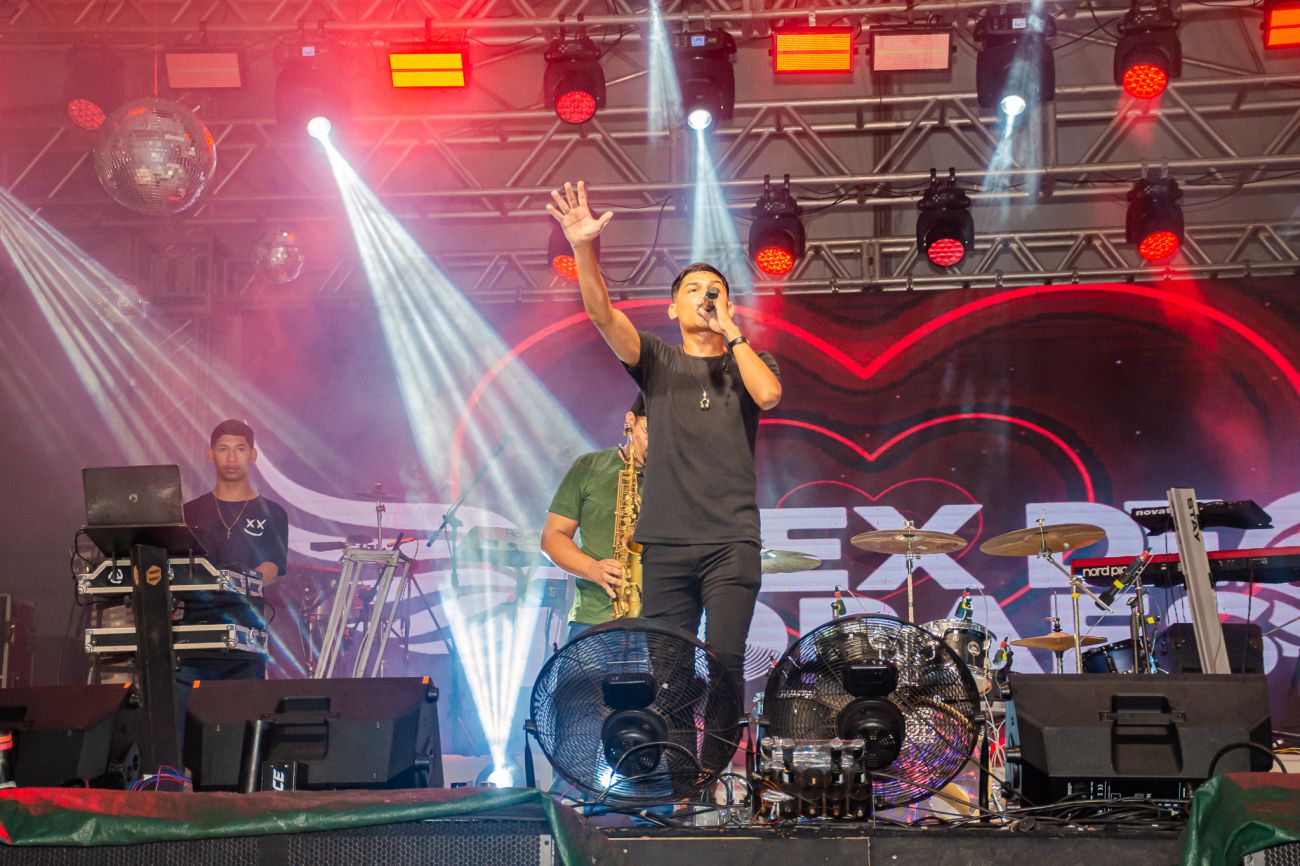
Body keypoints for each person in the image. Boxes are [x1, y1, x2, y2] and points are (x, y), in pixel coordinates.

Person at [547, 180, 782, 689]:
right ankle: (678, 750)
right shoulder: (657, 360)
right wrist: (583, 248)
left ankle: (720, 747)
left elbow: (768, 395)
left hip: (731, 540)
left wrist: (731, 332)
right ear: (673, 308)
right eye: (692, 290)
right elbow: (602, 315)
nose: (705, 296)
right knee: (669, 675)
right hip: (666, 543)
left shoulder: (750, 361)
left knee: (725, 667)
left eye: (714, 290)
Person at [180, 419, 289, 681]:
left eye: (240, 449)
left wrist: (234, 581)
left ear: (252, 455)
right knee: (189, 706)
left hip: (246, 635)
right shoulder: (189, 512)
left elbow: (272, 568)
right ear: (210, 455)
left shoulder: (273, 513)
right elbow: (176, 566)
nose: (231, 458)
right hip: (194, 636)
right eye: (223, 449)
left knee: (242, 706)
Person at [541, 393, 648, 643]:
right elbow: (552, 537)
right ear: (630, 421)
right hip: (593, 621)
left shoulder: (677, 475)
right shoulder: (588, 466)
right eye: (648, 431)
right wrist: (592, 568)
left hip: (658, 624)